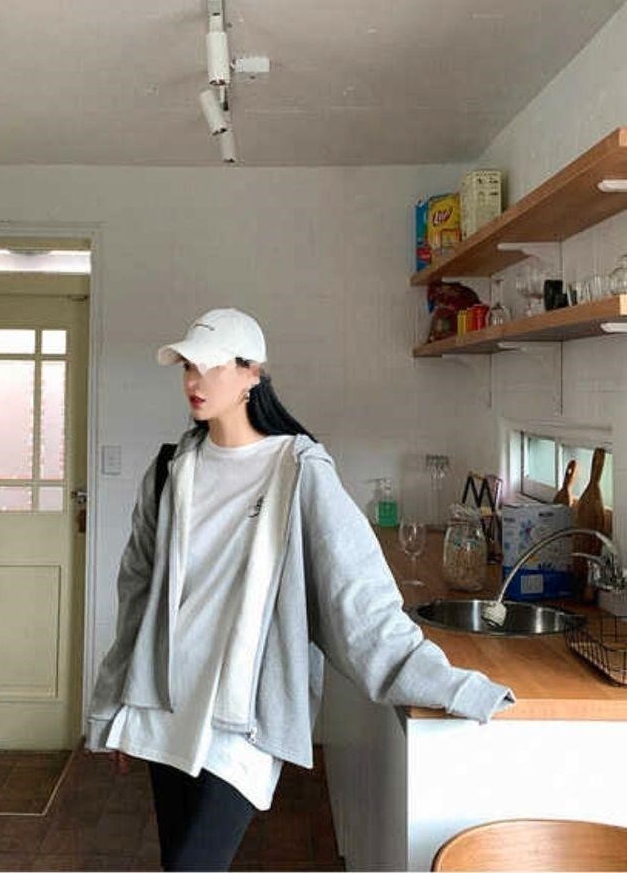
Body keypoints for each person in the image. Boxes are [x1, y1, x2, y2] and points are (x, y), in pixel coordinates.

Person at [87, 307, 515, 872]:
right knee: (179, 864)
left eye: (212, 367)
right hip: (163, 698)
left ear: (252, 373)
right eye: (188, 367)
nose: (195, 381)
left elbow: (358, 597)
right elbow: (136, 595)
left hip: (240, 712)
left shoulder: (299, 470)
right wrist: (112, 703)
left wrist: (450, 684)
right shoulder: (170, 470)